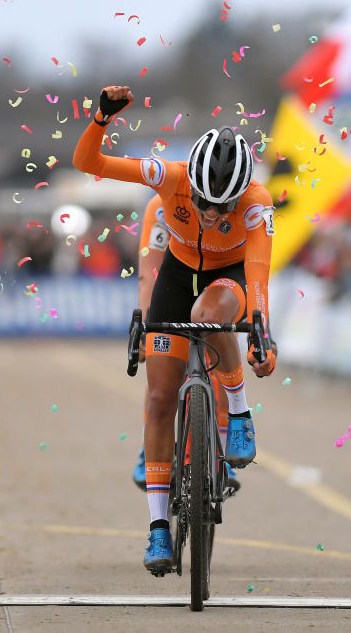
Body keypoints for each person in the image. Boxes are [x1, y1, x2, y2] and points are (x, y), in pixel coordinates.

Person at [73, 85, 278, 576]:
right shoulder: (169, 176)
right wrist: (101, 118)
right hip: (174, 275)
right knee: (160, 399)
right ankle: (159, 528)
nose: (211, 213)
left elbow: (259, 274)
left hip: (225, 281)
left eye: (221, 206)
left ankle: (240, 412)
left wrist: (262, 332)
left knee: (212, 311)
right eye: (205, 202)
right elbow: (89, 163)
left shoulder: (256, 203)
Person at [131, 195, 241, 498]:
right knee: (161, 366)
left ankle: (220, 449)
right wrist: (146, 327)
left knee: (217, 356)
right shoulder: (163, 205)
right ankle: (148, 448)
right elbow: (149, 274)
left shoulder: (232, 208)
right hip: (171, 284)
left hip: (215, 288)